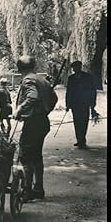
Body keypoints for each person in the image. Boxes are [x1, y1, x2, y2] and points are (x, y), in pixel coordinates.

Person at [13, 55, 58, 202]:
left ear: (20, 68)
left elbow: (33, 97)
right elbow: (54, 98)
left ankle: (28, 191)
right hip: (42, 122)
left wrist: (20, 109)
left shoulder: (28, 80)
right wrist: (44, 111)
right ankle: (38, 188)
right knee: (37, 156)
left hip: (33, 124)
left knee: (25, 156)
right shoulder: (42, 79)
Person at [65, 60, 97, 149]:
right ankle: (79, 140)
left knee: (84, 121)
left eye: (77, 67)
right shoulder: (71, 78)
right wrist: (68, 104)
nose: (75, 69)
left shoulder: (88, 77)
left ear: (80, 67)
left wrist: (92, 104)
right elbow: (69, 92)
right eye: (74, 68)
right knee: (77, 121)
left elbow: (92, 90)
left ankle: (82, 139)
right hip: (75, 104)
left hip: (85, 103)